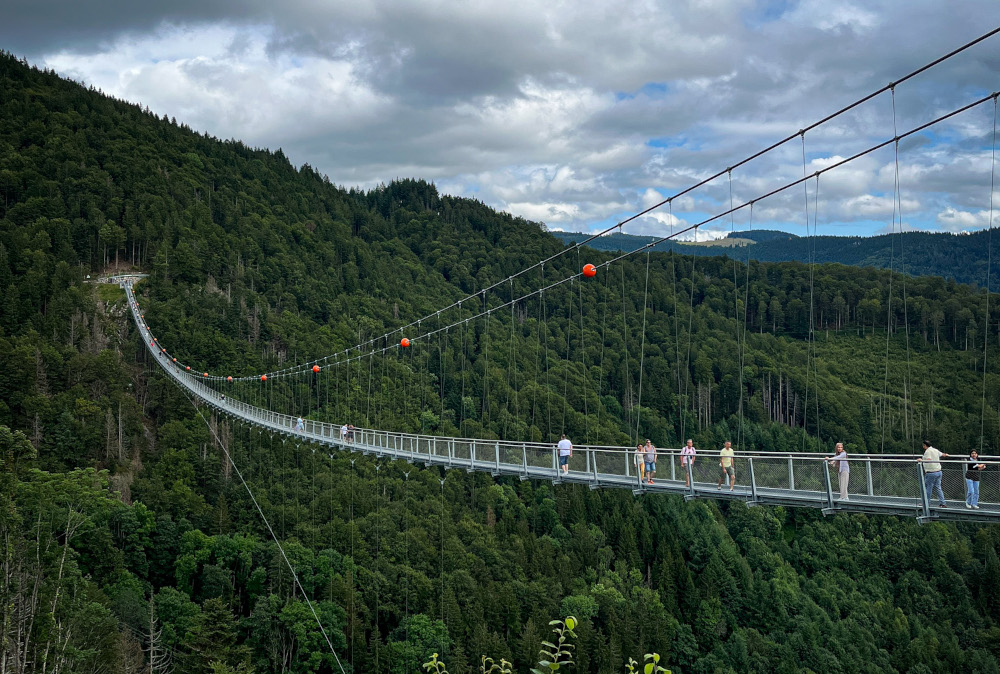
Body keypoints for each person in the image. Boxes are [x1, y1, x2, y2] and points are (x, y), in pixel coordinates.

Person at [918, 440, 950, 508]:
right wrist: (946, 454)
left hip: (931, 472)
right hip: (938, 471)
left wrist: (921, 460)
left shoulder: (928, 451)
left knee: (928, 488)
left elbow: (929, 459)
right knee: (938, 487)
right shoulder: (935, 450)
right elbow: (942, 454)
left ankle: (926, 503)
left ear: (925, 445)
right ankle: (942, 503)